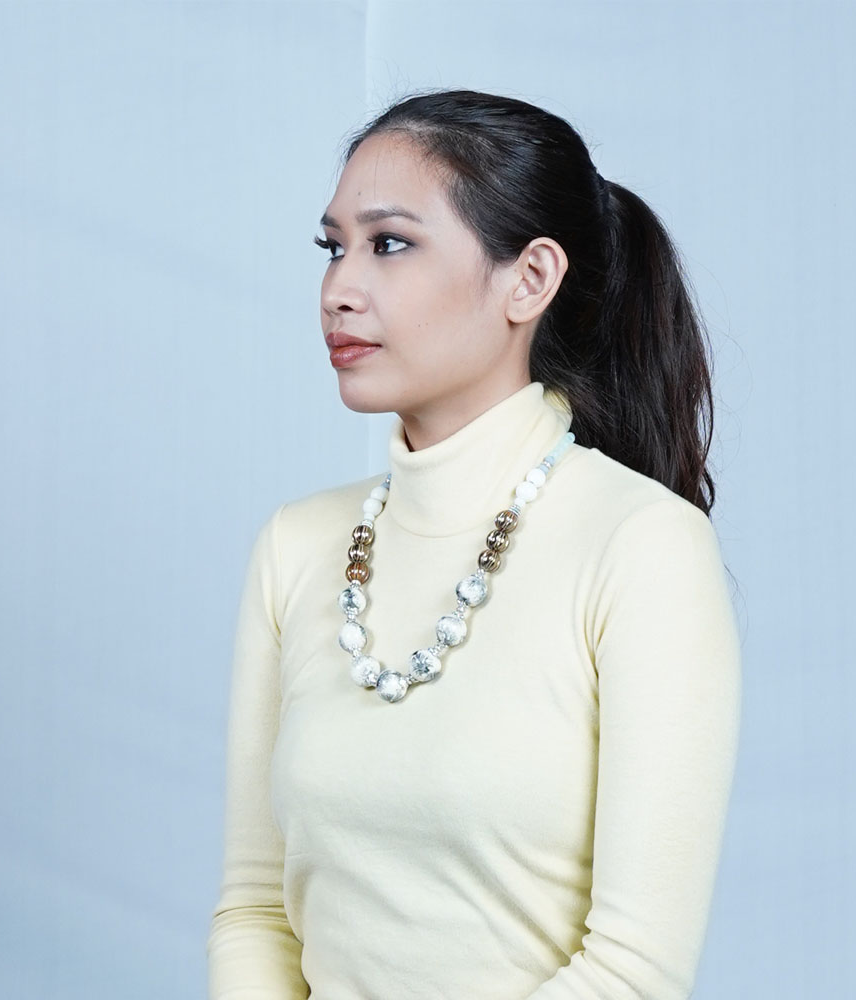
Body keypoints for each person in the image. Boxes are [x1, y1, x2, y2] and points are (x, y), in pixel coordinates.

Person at [207, 89, 741, 1000]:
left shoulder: (643, 546)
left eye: (390, 243)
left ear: (529, 279)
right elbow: (256, 910)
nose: (339, 289)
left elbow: (634, 970)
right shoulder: (296, 547)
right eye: (333, 247)